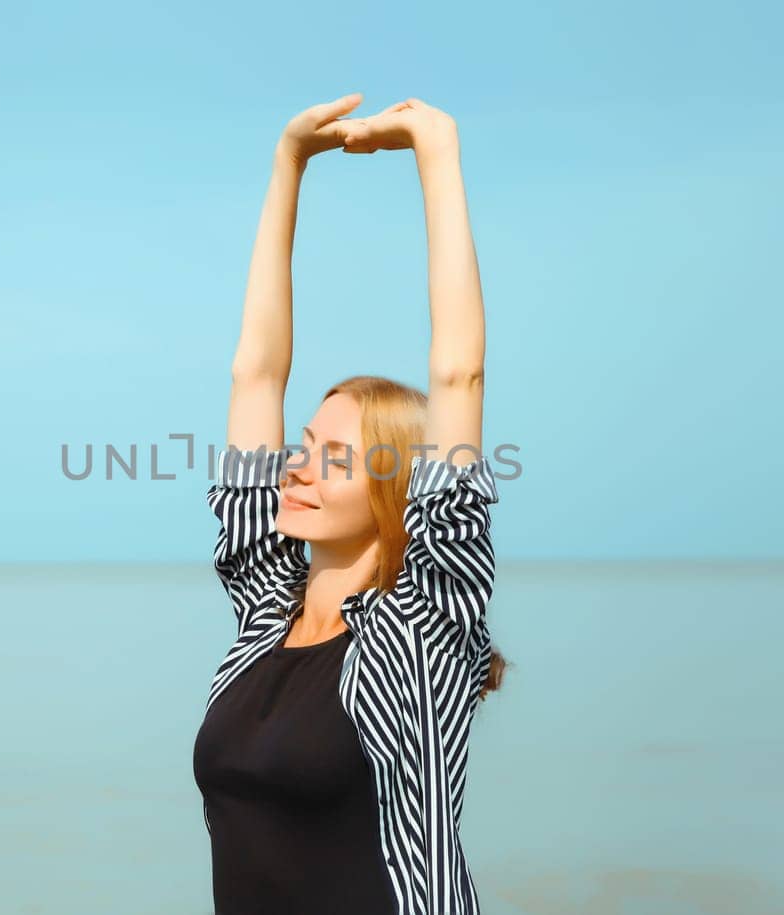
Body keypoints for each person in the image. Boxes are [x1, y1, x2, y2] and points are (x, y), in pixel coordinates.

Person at [191, 92, 509, 915]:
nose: (294, 468)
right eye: (303, 446)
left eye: (333, 458)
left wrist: (435, 150)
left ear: (398, 489)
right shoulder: (265, 613)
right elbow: (253, 372)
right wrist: (288, 164)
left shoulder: (422, 628)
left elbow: (458, 375)